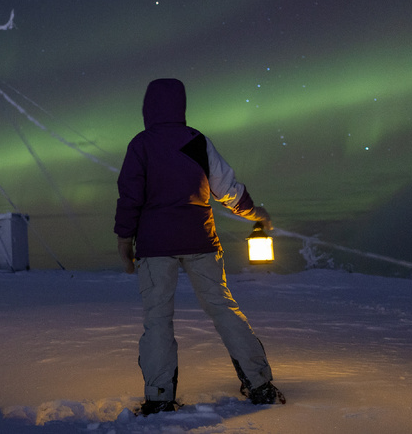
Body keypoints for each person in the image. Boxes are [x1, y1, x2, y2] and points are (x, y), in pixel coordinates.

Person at [114, 78, 285, 414]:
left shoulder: (141, 145)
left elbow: (129, 198)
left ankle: (160, 396)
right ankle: (259, 383)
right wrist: (256, 212)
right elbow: (227, 188)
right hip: (200, 240)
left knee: (158, 320)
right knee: (222, 308)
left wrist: (124, 241)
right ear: (182, 106)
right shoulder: (196, 141)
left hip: (154, 246)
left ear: (147, 107)